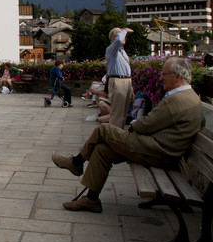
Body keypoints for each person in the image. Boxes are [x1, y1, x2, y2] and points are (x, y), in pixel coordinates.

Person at [52, 57, 204, 213]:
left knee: (103, 130)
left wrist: (134, 125)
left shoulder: (177, 100)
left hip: (157, 151)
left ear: (177, 77)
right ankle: (91, 200)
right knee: (102, 150)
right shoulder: (190, 97)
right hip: (162, 150)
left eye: (164, 75)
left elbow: (147, 124)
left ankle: (76, 163)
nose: (161, 78)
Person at [106, 27, 134, 128]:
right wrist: (125, 30)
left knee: (123, 114)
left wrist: (131, 88)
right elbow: (118, 40)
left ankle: (119, 135)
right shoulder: (111, 50)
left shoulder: (122, 51)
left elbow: (127, 71)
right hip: (118, 81)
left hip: (125, 81)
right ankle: (113, 135)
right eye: (119, 34)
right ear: (113, 38)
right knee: (117, 113)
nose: (123, 36)